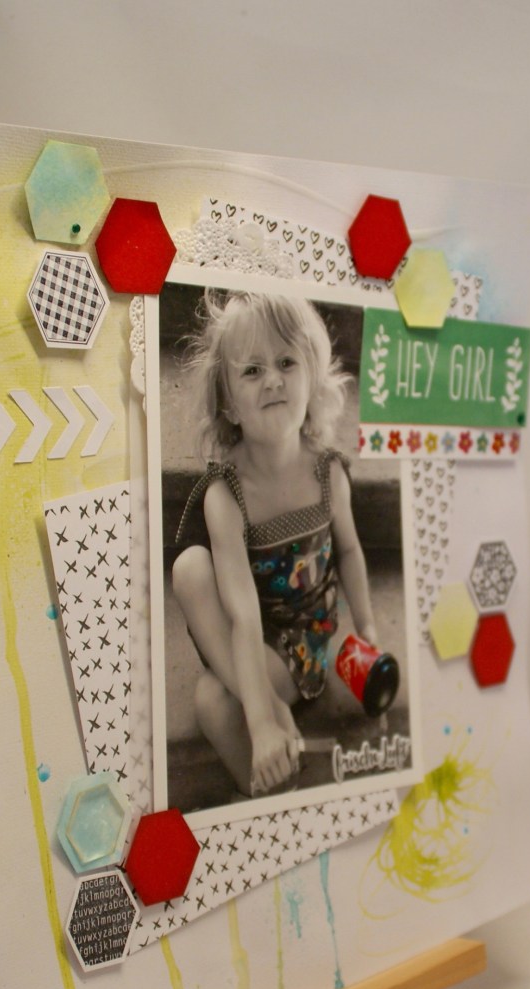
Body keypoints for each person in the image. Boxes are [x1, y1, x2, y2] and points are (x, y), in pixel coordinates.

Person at [172, 289, 378, 799]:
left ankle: (270, 782)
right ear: (228, 403)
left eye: (287, 362)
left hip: (300, 641)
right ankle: (269, 727)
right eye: (252, 370)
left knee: (211, 700)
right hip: (244, 629)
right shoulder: (226, 494)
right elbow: (242, 616)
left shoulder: (328, 473)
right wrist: (261, 720)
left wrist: (368, 628)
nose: (273, 380)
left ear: (312, 376)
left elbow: (350, 552)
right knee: (189, 567)